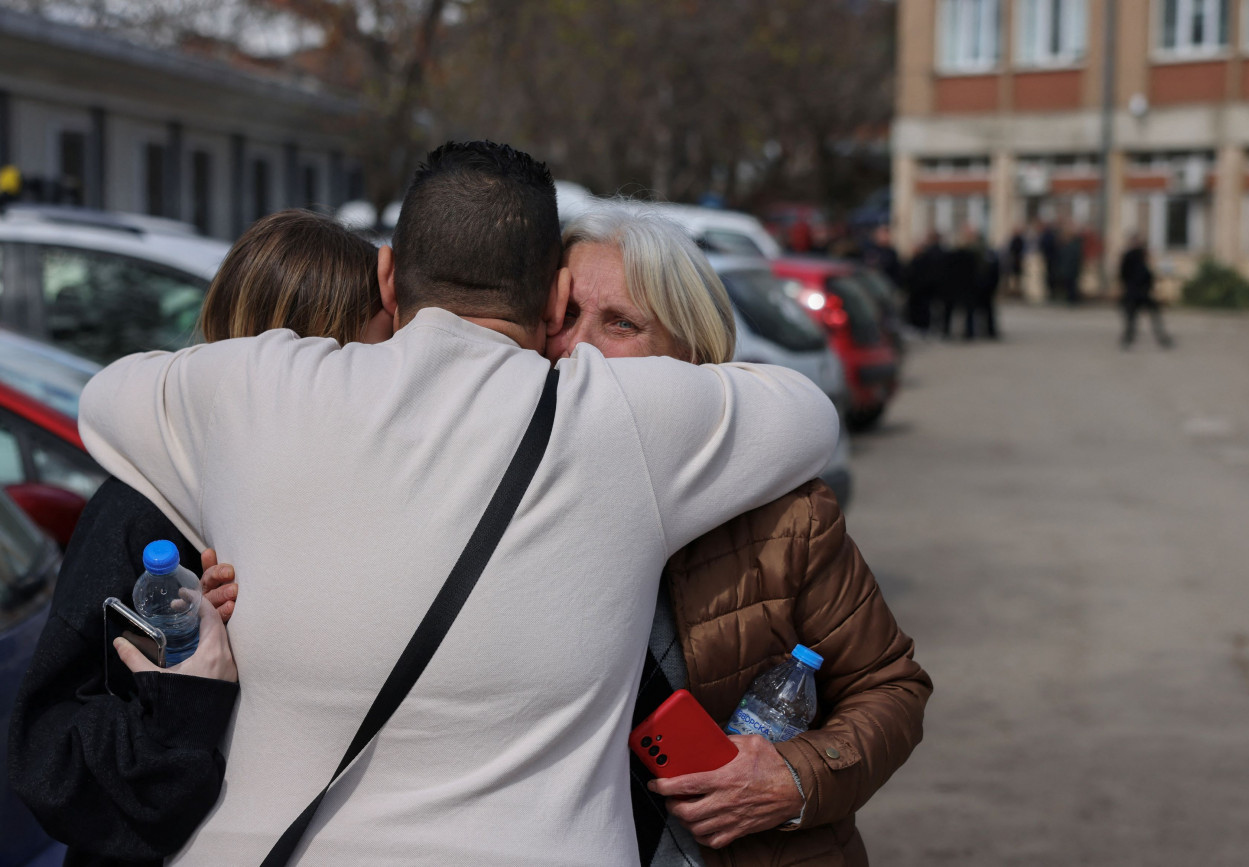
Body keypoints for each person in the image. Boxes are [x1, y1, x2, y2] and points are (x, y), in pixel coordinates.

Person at [73, 141, 840, 866]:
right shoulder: (623, 420)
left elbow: (105, 398)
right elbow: (807, 412)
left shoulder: (248, 388)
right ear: (557, 295)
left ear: (387, 276)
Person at [203, 202, 932, 867]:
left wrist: (795, 776)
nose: (576, 349)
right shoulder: (460, 481)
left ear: (694, 361)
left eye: (620, 324)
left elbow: (890, 684)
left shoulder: (783, 513)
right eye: (563, 317)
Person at [7, 209, 386, 867]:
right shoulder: (149, 506)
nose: (393, 383)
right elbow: (54, 762)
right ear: (308, 354)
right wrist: (192, 684)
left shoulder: (341, 498)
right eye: (375, 355)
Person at [1118, 233, 1173, 350]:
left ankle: (1160, 338)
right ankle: (1128, 338)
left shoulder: (1141, 255)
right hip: (1134, 292)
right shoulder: (1131, 256)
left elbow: (1147, 274)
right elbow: (1125, 275)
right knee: (1132, 318)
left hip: (1142, 292)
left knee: (1150, 316)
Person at [904, 231, 945, 336]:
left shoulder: (925, 258)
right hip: (925, 289)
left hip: (922, 289)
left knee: (923, 309)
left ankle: (922, 327)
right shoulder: (930, 255)